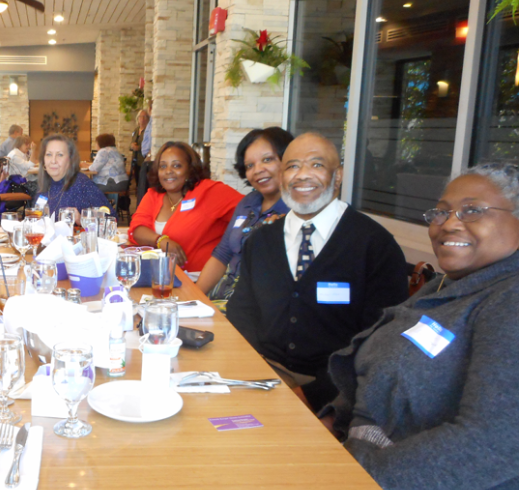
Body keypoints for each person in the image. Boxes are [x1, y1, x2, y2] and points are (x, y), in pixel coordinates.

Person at [322, 162, 519, 489]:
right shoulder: (447, 285)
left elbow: (494, 443)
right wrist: (334, 418)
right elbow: (387, 366)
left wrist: (353, 476)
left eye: (472, 210)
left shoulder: (508, 301)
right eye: (441, 213)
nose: (449, 224)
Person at [226, 133, 408, 412]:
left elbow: (380, 339)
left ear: (338, 177)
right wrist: (256, 372)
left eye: (316, 165)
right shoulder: (261, 241)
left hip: (338, 390)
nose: (302, 175)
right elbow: (242, 312)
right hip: (262, 377)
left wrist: (314, 394)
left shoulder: (374, 245)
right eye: (292, 166)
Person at [197, 128, 294, 302]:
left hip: (254, 308)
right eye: (250, 165)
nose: (258, 170)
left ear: (288, 161)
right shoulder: (248, 202)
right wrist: (193, 298)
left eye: (267, 159)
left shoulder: (297, 212)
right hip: (221, 296)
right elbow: (222, 254)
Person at [128, 141, 243, 272]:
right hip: (160, 276)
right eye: (162, 166)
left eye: (176, 166)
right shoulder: (154, 195)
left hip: (199, 281)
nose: (168, 171)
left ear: (190, 169)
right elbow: (136, 229)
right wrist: (161, 241)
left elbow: (249, 211)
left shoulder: (209, 191)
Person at [35, 133, 114, 217]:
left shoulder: (82, 185)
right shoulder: (44, 183)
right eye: (49, 154)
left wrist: (81, 219)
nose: (53, 161)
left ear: (70, 159)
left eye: (60, 155)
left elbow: (111, 217)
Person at [130, 110, 149, 181]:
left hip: (143, 159)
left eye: (145, 117)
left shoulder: (148, 131)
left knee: (143, 180)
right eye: (141, 117)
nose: (142, 119)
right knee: (136, 178)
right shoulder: (136, 130)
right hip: (135, 159)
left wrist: (139, 148)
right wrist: (132, 146)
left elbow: (149, 145)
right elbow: (131, 143)